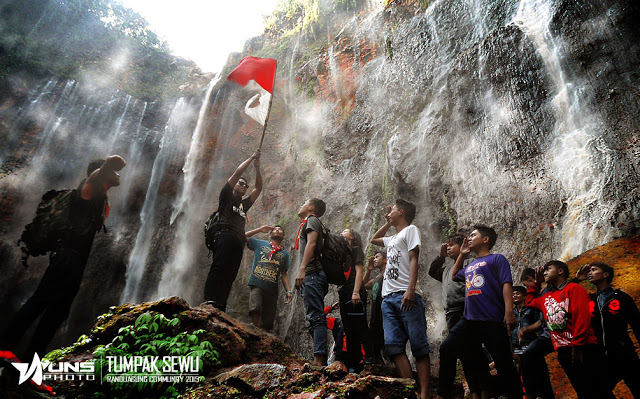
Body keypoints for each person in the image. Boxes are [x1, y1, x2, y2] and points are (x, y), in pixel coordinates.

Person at [1, 156, 126, 360]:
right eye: (113, 171)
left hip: (74, 265)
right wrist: (110, 162)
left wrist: (78, 273)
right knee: (40, 300)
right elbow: (94, 177)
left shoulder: (99, 198)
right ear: (102, 173)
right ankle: (4, 346)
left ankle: (29, 364)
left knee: (57, 315)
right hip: (66, 258)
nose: (118, 174)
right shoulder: (88, 190)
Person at [437, 225, 522, 399]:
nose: (469, 237)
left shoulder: (497, 259)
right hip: (469, 319)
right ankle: (442, 394)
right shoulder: (471, 264)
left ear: (485, 239)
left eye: (473, 235)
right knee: (446, 347)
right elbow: (455, 275)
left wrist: (509, 311)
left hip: (492, 319)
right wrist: (462, 254)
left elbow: (506, 284)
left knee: (504, 363)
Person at [525, 260, 613, 399]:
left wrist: (577, 346)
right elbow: (529, 302)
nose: (545, 272)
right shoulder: (547, 297)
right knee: (582, 390)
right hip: (563, 350)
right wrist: (537, 282)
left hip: (584, 348)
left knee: (598, 390)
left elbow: (582, 318)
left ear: (560, 271)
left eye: (549, 268)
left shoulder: (574, 289)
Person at [370, 199, 430, 399]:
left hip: (406, 294)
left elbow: (414, 258)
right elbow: (373, 239)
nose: (390, 212)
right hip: (387, 299)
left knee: (419, 347)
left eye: (393, 210)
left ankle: (424, 394)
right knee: (394, 347)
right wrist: (387, 222)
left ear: (402, 212)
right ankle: (410, 391)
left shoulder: (410, 230)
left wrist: (411, 289)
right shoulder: (393, 237)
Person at [429, 234, 489, 399]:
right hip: (451, 314)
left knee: (470, 351)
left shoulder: (470, 263)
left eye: (451, 245)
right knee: (466, 354)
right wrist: (441, 256)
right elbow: (432, 271)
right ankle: (476, 392)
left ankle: (448, 393)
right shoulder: (447, 270)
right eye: (446, 245)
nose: (448, 248)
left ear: (463, 246)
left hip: (466, 311)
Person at [204, 149, 262, 311]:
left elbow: (258, 188)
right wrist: (251, 157)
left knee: (230, 273)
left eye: (245, 185)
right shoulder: (226, 197)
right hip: (224, 234)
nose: (243, 186)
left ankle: (221, 305)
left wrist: (258, 167)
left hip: (238, 241)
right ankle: (209, 300)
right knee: (219, 267)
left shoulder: (244, 204)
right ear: (234, 185)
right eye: (241, 183)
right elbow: (237, 172)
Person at [574, 262, 640, 397]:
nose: (589, 273)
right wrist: (576, 280)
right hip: (600, 358)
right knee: (600, 392)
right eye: (589, 271)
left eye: (594, 270)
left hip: (624, 354)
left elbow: (637, 324)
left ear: (605, 274)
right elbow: (565, 298)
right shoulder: (590, 299)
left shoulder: (621, 297)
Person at [294, 198, 328, 366]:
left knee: (316, 315)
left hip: (312, 273)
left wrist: (302, 269)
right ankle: (318, 356)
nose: (301, 205)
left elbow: (312, 243)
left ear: (311, 207)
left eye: (303, 202)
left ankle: (319, 359)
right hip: (313, 274)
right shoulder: (311, 222)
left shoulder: (312, 220)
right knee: (312, 316)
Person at [244, 224, 293, 331]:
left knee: (268, 320)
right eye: (275, 229)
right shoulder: (260, 244)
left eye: (280, 229)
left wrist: (288, 291)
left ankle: (264, 339)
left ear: (283, 236)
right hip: (257, 283)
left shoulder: (284, 254)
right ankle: (256, 332)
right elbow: (243, 236)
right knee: (255, 308)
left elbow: (283, 274)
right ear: (270, 235)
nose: (277, 230)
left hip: (272, 289)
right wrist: (260, 229)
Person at [518, 267, 555, 399]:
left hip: (552, 332)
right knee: (534, 359)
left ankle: (531, 394)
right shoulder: (539, 294)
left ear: (529, 279)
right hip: (546, 332)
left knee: (528, 355)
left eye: (525, 285)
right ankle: (545, 394)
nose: (527, 289)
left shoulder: (549, 290)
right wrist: (525, 329)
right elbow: (542, 319)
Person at [338, 228, 369, 372]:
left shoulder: (356, 250)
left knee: (359, 326)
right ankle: (353, 363)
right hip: (345, 293)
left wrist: (356, 292)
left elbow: (359, 271)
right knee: (348, 329)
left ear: (353, 237)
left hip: (354, 291)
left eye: (345, 231)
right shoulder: (343, 255)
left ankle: (368, 359)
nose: (341, 233)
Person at [363, 251, 386, 363]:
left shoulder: (387, 274)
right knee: (374, 346)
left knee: (386, 345)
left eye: (377, 257)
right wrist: (369, 270)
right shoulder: (376, 278)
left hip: (384, 315)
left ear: (385, 260)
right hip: (375, 316)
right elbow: (362, 286)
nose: (375, 259)